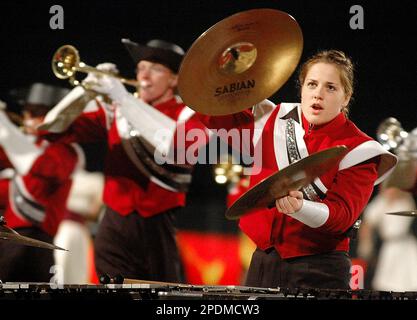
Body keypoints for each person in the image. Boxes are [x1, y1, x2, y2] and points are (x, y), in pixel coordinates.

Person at [198, 50, 397, 289]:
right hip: (263, 261)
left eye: (331, 87)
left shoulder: (361, 149)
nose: (318, 94)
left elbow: (342, 217)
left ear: (346, 97)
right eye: (312, 84)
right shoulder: (274, 119)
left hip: (320, 270)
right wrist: (219, 70)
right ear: (302, 88)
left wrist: (300, 208)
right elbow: (212, 114)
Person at [40, 39, 210, 282]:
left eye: (156, 69)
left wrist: (121, 97)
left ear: (174, 80)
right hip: (113, 223)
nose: (144, 75)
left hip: (157, 225)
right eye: (141, 67)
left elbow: (175, 146)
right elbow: (50, 129)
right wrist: (84, 91)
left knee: (160, 294)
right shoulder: (117, 109)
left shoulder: (191, 114)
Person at [0, 84, 103, 283]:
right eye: (27, 110)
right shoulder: (28, 145)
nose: (28, 117)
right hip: (11, 237)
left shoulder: (67, 149)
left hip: (38, 238)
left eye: (37, 112)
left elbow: (42, 170)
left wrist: (7, 129)